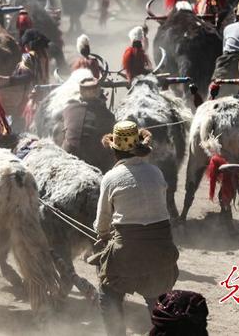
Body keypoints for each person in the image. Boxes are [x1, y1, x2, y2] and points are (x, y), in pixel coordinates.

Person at [92, 120, 179, 336]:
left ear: (114, 151)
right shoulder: (156, 172)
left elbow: (102, 223)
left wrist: (103, 236)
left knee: (108, 293)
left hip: (127, 253)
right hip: (162, 250)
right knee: (157, 300)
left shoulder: (111, 178)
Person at [61, 77, 115, 172]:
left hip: (68, 159)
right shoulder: (108, 116)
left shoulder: (68, 110)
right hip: (95, 164)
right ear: (98, 92)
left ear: (81, 92)